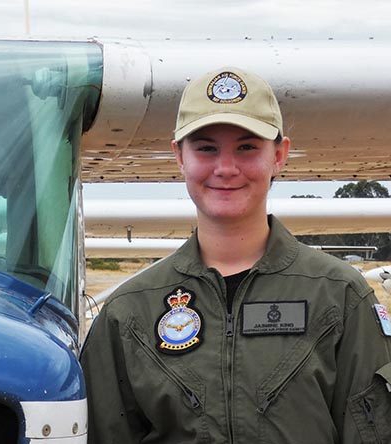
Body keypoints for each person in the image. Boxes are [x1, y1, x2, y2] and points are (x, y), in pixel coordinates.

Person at [80, 67, 391, 443]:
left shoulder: (340, 297)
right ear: (179, 156)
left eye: (247, 147)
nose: (225, 168)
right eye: (206, 148)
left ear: (279, 155)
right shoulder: (129, 313)